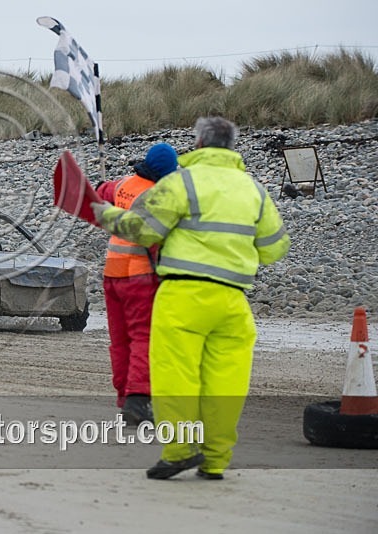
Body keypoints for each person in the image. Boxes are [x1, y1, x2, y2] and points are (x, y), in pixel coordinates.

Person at [91, 117, 290, 480]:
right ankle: (215, 461)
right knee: (225, 383)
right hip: (233, 301)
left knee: (176, 376)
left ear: (198, 143)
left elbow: (143, 228)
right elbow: (275, 248)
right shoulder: (254, 190)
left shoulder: (183, 182)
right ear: (232, 146)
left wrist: (107, 216)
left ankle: (181, 451)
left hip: (182, 295)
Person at [95, 143, 178, 425]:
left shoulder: (124, 185)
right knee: (143, 337)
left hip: (112, 273)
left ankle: (123, 397)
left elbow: (100, 192)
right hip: (139, 275)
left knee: (119, 340)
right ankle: (138, 399)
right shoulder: (158, 195)